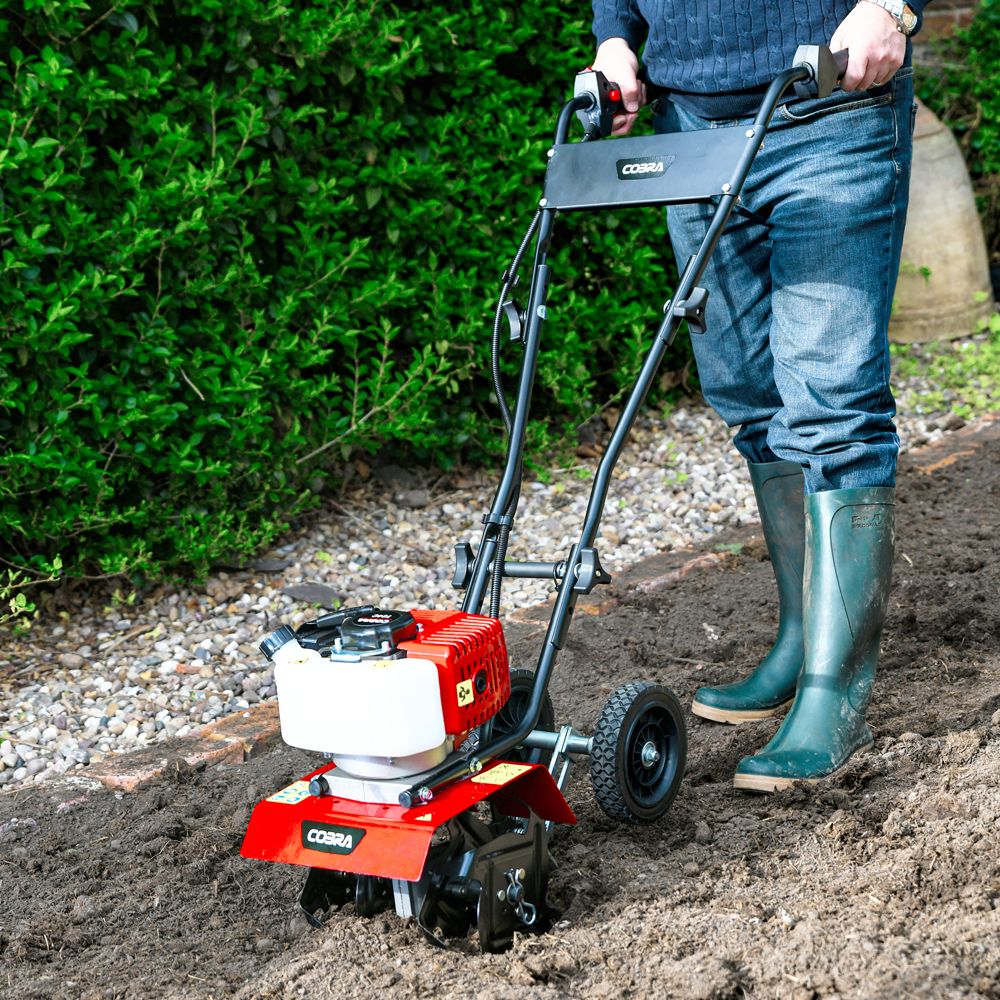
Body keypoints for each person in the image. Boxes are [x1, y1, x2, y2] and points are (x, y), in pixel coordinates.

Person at [590, 0, 929, 791]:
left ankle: (833, 694)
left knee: (833, 401)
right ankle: (802, 639)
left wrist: (892, 5)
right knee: (745, 391)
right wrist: (614, 39)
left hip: (832, 105)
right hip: (693, 131)